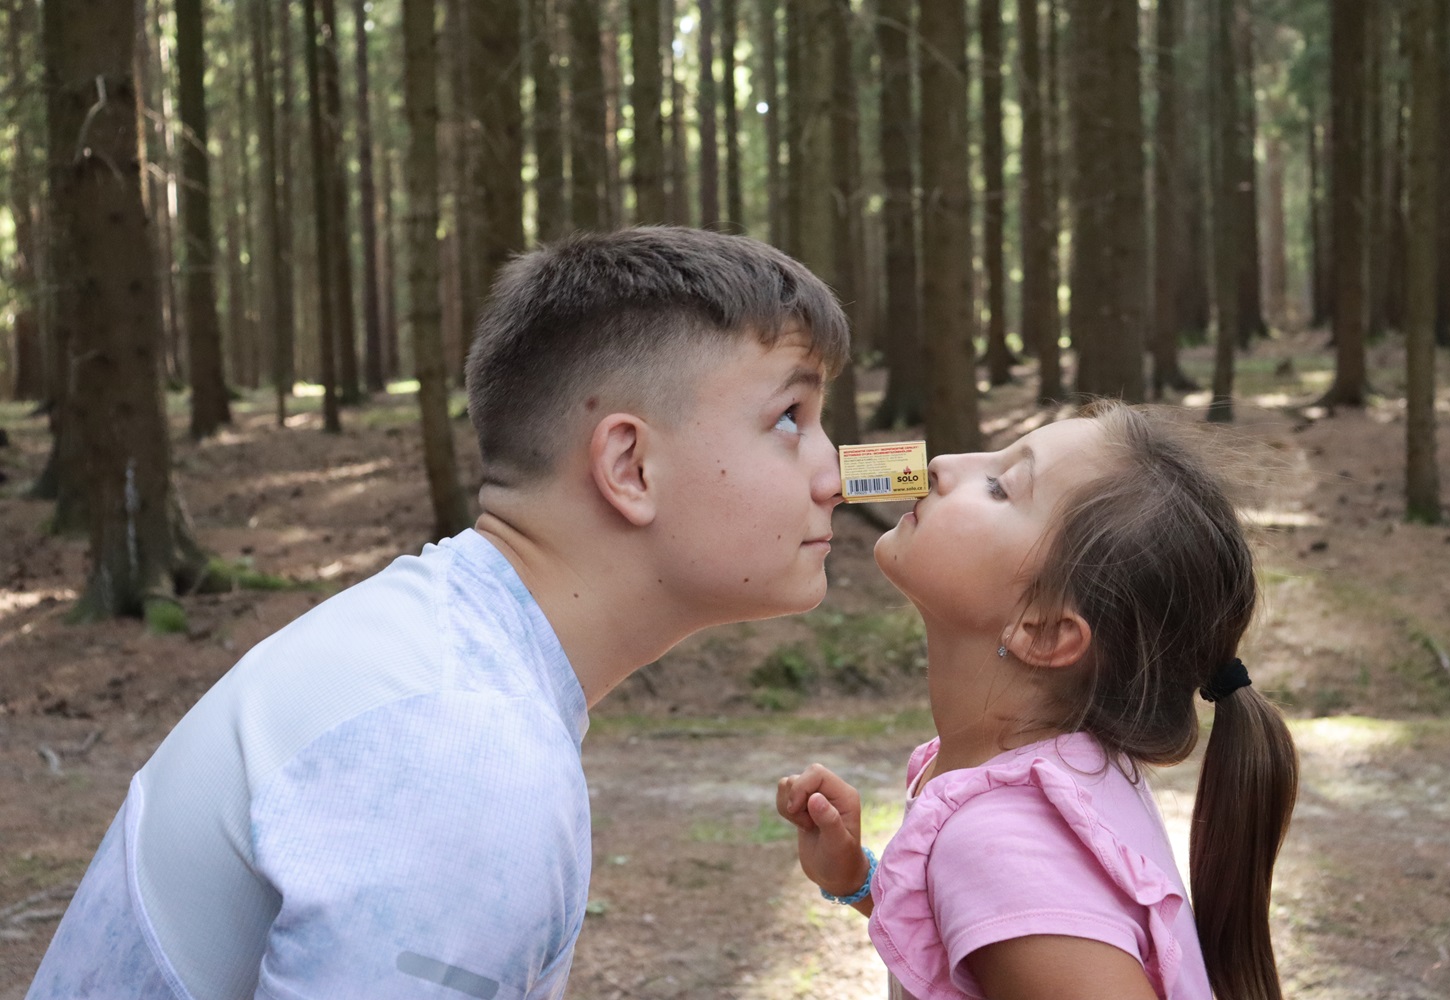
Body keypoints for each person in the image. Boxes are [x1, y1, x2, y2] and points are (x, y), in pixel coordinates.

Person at [28, 226, 849, 1000]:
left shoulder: (434, 651)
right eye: (790, 418)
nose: (835, 477)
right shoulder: (460, 751)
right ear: (630, 465)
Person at [776, 401, 1300, 1000]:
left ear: (1045, 632)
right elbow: (995, 938)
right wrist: (861, 882)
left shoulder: (1000, 843)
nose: (942, 465)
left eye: (999, 486)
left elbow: (1024, 899)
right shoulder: (1049, 777)